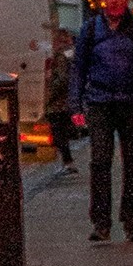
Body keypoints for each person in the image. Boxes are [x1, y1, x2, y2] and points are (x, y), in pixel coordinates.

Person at [70, 0, 133, 243]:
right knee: (100, 163)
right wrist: (75, 105)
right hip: (99, 103)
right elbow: (78, 69)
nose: (114, 0)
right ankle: (101, 224)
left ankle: (131, 222)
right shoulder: (90, 30)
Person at [45, 24, 78, 170]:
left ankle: (68, 162)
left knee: (59, 132)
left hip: (59, 102)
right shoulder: (71, 52)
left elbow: (63, 78)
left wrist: (51, 93)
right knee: (62, 131)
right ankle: (67, 161)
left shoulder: (61, 54)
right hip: (68, 99)